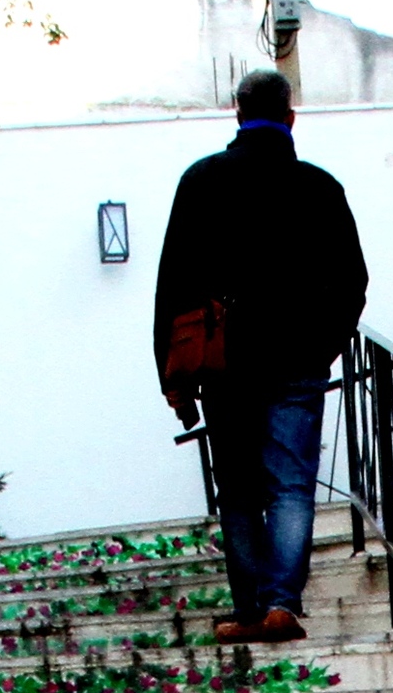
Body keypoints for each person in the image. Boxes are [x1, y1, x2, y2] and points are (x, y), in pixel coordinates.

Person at [154, 69, 368, 642]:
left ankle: (248, 610)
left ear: (236, 111)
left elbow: (172, 281)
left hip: (225, 365)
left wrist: (170, 375)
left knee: (241, 492)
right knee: (292, 486)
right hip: (297, 360)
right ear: (291, 116)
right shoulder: (320, 188)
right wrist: (324, 347)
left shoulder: (201, 181)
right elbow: (352, 282)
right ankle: (282, 605)